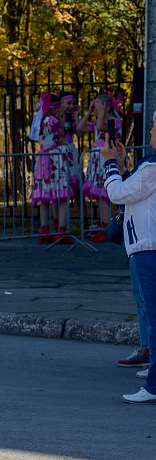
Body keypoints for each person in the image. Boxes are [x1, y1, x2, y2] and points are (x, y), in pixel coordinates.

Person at [102, 110, 156, 403]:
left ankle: (153, 385)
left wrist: (109, 162)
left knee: (153, 314)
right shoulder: (149, 167)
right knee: (150, 310)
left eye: (154, 127)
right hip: (144, 246)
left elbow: (118, 194)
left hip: (148, 248)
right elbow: (136, 192)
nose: (149, 132)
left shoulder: (153, 166)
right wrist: (122, 165)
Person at [29, 92, 75, 244]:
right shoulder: (52, 120)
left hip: (42, 159)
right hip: (55, 160)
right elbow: (61, 136)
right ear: (53, 108)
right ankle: (61, 231)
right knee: (62, 196)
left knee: (45, 197)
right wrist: (61, 120)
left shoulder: (40, 121)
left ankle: (45, 230)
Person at [79, 93, 123, 242]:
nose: (96, 110)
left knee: (104, 194)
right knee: (97, 194)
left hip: (106, 158)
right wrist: (89, 111)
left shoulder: (114, 121)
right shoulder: (98, 120)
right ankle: (103, 226)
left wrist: (103, 111)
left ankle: (106, 228)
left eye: (97, 106)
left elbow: (99, 126)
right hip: (96, 160)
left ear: (106, 107)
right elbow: (80, 129)